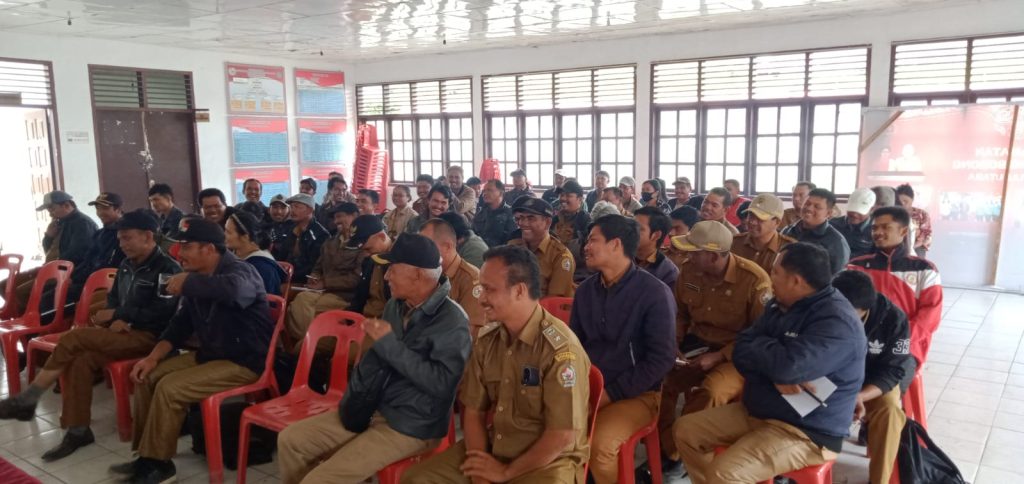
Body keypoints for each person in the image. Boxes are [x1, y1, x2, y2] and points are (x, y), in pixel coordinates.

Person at [278, 233, 471, 482]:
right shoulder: (395, 305)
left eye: (393, 269)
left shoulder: (452, 320)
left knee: (321, 478)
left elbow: (443, 384)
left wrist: (390, 345)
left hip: (411, 424)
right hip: (373, 407)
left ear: (417, 274)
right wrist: (355, 397)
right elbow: (375, 361)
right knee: (291, 441)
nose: (386, 276)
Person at [673, 242, 866, 484]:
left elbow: (787, 367)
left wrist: (772, 361)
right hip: (759, 410)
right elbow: (742, 348)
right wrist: (776, 370)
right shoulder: (780, 304)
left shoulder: (837, 322)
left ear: (796, 281)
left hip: (806, 430)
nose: (769, 276)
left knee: (725, 473)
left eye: (775, 272)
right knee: (686, 431)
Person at [0, 210, 180, 462]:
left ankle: (30, 397)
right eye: (120, 239)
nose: (122, 244)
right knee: (79, 360)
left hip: (151, 338)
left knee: (73, 339)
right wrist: (116, 316)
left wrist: (120, 315)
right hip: (122, 332)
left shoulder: (168, 269)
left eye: (127, 238)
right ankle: (78, 430)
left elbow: (163, 312)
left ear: (148, 236)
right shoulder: (126, 265)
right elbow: (113, 300)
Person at [402, 245, 591, 483]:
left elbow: (562, 435)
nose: (481, 298)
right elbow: (474, 412)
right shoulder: (488, 341)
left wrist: (505, 473)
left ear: (519, 291)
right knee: (416, 479)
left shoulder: (560, 350)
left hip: (547, 463)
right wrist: (480, 468)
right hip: (496, 447)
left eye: (489, 290)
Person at [113, 218, 274, 484]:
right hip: (211, 355)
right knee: (146, 376)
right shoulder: (198, 276)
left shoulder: (242, 271)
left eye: (186, 247)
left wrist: (188, 282)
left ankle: (160, 466)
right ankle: (146, 456)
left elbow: (235, 291)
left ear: (208, 249)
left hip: (244, 362)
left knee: (170, 388)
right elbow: (180, 325)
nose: (179, 253)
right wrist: (152, 358)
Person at [570, 215, 675, 484]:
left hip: (637, 395)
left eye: (592, 240)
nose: (585, 247)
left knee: (600, 445)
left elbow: (661, 359)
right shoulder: (585, 291)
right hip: (589, 389)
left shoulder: (654, 293)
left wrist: (611, 393)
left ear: (616, 244)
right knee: (546, 428)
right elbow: (574, 347)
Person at [659, 221, 771, 472]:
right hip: (696, 344)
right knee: (662, 381)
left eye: (693, 252)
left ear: (712, 256)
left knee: (712, 391)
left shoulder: (754, 281)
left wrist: (720, 356)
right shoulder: (689, 271)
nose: (687, 256)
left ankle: (685, 449)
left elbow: (761, 334)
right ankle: (668, 448)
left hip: (736, 354)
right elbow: (680, 314)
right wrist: (674, 343)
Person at [832, 270, 915, 484]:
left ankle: (879, 480)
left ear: (865, 309)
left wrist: (859, 396)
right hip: (833, 377)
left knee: (889, 411)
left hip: (873, 380)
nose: (839, 316)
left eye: (848, 312)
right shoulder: (823, 307)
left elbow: (892, 370)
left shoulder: (893, 319)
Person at [848, 206, 942, 365]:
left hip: (905, 347)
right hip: (862, 345)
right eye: (874, 228)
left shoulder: (924, 269)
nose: (878, 232)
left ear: (903, 231)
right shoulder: (855, 266)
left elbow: (930, 314)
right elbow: (846, 307)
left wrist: (901, 338)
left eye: (886, 227)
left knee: (900, 380)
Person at [286, 214, 382, 346]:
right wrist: (315, 276)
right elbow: (318, 266)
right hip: (329, 293)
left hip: (345, 296)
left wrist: (325, 283)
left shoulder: (369, 251)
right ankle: (305, 343)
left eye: (341, 216)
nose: (337, 221)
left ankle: (305, 344)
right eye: (335, 217)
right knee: (300, 301)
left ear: (353, 217)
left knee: (310, 311)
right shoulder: (331, 242)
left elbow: (355, 281)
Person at [2, 190, 98, 312]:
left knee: (22, 292)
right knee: (4, 286)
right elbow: (49, 251)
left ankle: (29, 319)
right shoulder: (60, 223)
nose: (50, 214)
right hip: (50, 267)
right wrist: (48, 236)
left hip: (66, 272)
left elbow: (77, 254)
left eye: (52, 209)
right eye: (48, 210)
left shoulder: (82, 224)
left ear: (66, 205)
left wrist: (52, 266)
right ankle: (19, 316)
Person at [420, 219, 485, 337]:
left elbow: (469, 331)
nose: (421, 251)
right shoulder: (428, 271)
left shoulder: (471, 278)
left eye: (427, 245)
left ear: (447, 246)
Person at [508, 197, 575, 298]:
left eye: (531, 218)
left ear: (547, 222)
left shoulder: (560, 256)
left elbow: (554, 301)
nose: (523, 223)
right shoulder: (512, 247)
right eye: (521, 218)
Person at [782, 188, 850, 275]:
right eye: (807, 203)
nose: (809, 208)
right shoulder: (788, 231)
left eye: (817, 207)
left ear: (828, 213)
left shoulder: (836, 242)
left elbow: (837, 277)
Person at [75, 193, 127, 304]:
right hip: (89, 280)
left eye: (105, 208)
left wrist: (83, 279)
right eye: (98, 209)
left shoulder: (124, 234)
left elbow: (109, 264)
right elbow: (87, 260)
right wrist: (72, 277)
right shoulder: (99, 234)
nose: (100, 213)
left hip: (109, 284)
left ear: (118, 210)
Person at [271, 193, 331, 283]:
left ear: (310, 210)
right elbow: (282, 256)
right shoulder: (291, 229)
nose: (292, 210)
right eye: (291, 207)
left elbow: (314, 267)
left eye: (297, 207)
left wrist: (286, 275)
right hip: (287, 276)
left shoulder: (320, 235)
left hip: (305, 281)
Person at [730, 194, 796, 274]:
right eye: (750, 215)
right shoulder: (734, 243)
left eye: (760, 218)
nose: (752, 222)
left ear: (777, 222)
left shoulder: (790, 249)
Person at [225, 211, 286, 296]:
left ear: (245, 237)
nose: (224, 235)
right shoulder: (232, 258)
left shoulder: (263, 268)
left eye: (228, 232)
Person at [633, 206, 678, 288]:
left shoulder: (668, 272)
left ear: (656, 235)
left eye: (638, 228)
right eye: (631, 226)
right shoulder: (621, 256)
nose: (630, 231)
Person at [831, 187, 877, 259]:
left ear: (871, 209)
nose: (854, 215)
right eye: (852, 210)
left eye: (860, 211)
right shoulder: (833, 225)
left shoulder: (876, 230)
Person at [473, 179, 516, 247]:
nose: (485, 193)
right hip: (480, 249)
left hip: (502, 251)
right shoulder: (480, 212)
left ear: (501, 193)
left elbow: (512, 239)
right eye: (484, 191)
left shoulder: (510, 213)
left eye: (489, 190)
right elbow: (473, 235)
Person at [896, 183, 933, 258]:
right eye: (899, 202)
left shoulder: (922, 214)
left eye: (905, 201)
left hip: (917, 247)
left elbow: (926, 234)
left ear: (912, 200)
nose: (902, 204)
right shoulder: (891, 214)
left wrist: (911, 247)